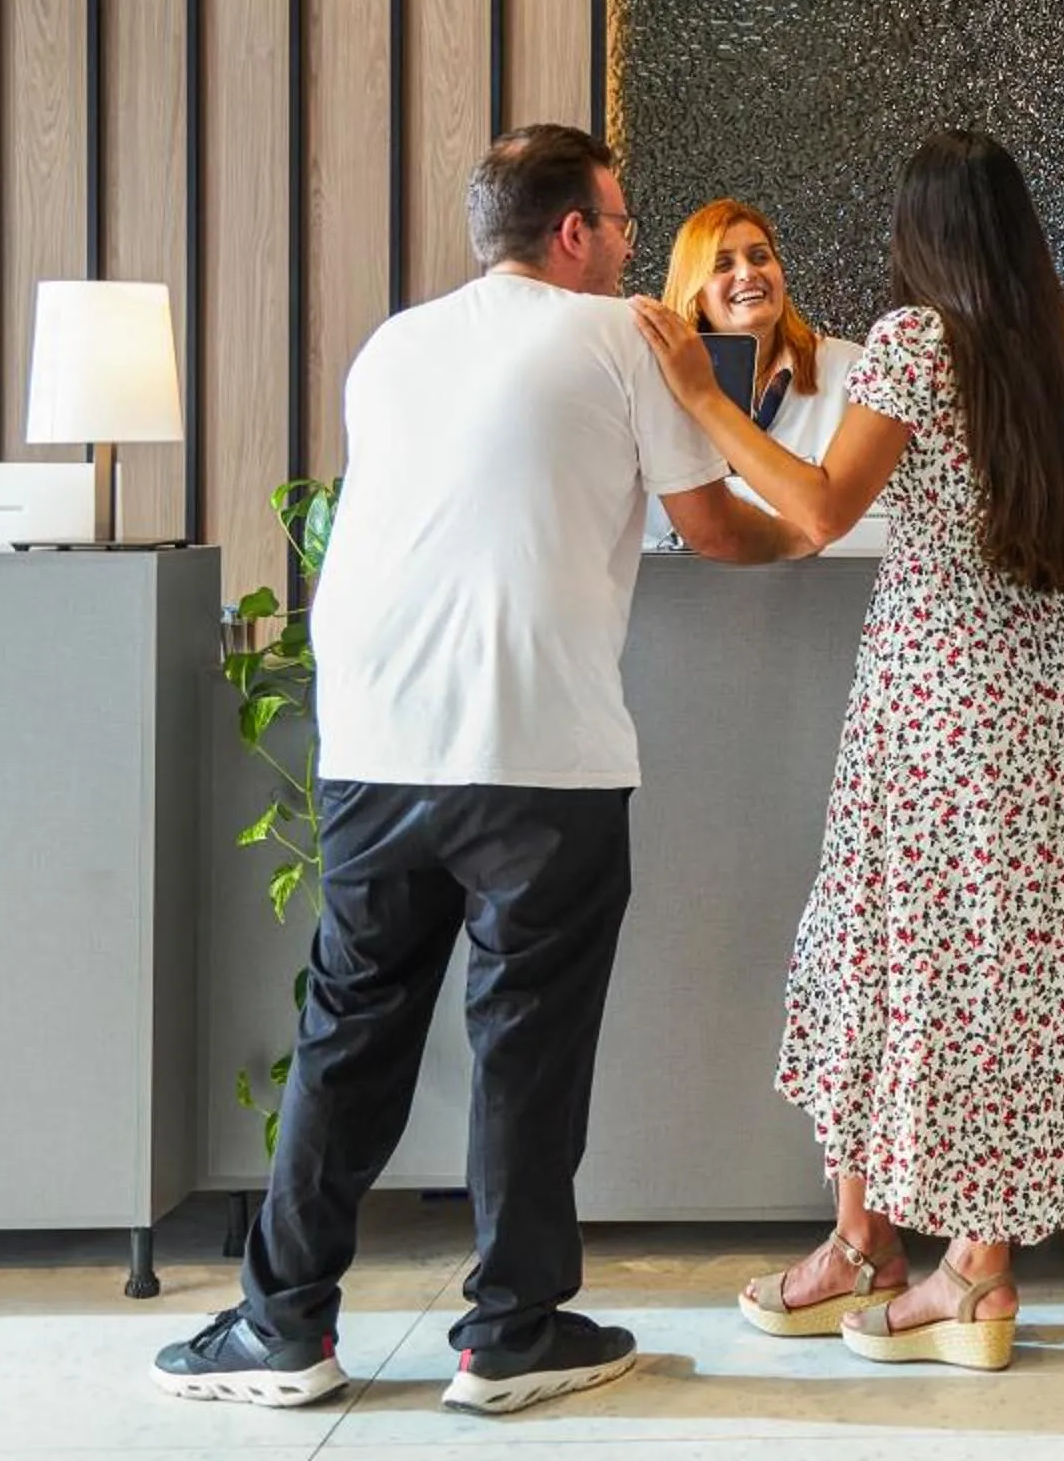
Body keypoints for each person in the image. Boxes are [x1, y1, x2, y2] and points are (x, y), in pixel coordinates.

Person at [152, 126, 809, 1417]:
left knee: (349, 1036)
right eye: (622, 224)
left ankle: (283, 1325)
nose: (633, 244)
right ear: (574, 233)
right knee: (526, 1045)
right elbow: (715, 526)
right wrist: (823, 525)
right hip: (538, 751)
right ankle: (511, 1333)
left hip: (377, 741)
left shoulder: (396, 342)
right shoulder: (624, 334)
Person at [630, 127, 1064, 1374]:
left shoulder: (915, 342)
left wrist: (696, 397)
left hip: (933, 691)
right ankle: (970, 1274)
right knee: (1004, 975)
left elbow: (822, 504)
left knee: (876, 946)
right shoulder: (1062, 351)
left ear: (923, 232)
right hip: (1040, 693)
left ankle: (870, 1247)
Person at [644, 198, 865, 548]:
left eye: (760, 257)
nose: (747, 273)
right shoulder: (656, 383)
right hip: (690, 591)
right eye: (722, 264)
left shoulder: (853, 372)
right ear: (694, 291)